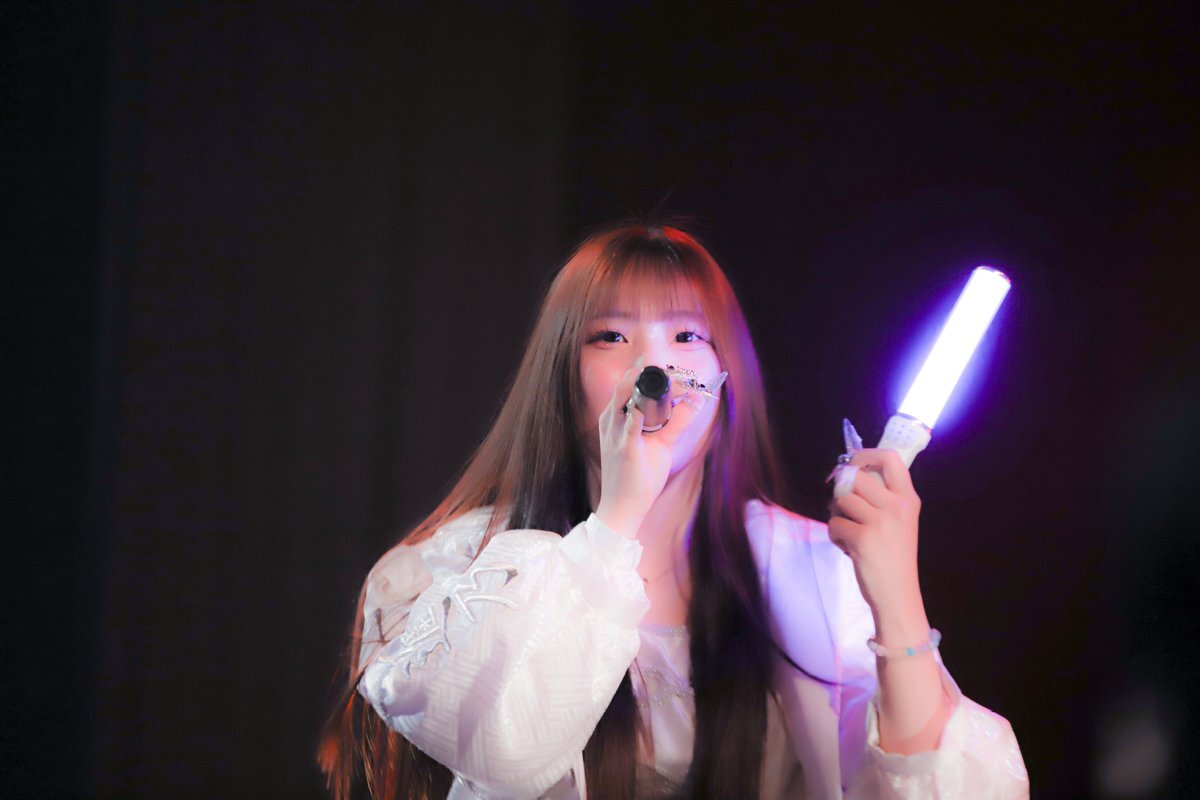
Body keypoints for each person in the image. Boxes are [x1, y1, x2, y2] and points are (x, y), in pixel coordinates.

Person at [319, 223, 1029, 799]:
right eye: (611, 336)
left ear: (726, 377)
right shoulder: (452, 570)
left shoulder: (811, 570)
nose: (656, 370)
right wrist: (618, 516)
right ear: (561, 372)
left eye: (687, 337)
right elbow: (499, 747)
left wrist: (894, 593)